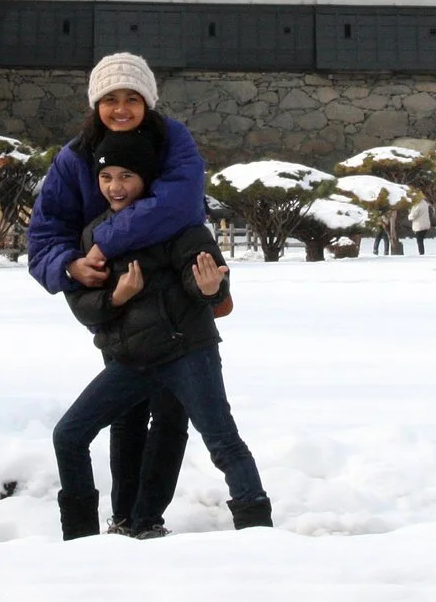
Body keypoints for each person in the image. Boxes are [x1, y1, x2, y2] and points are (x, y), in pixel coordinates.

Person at [50, 122, 272, 538]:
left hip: (187, 352)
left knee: (222, 442)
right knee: (69, 434)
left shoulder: (177, 222)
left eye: (126, 176)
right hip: (133, 360)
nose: (115, 186)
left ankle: (257, 527)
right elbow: (84, 306)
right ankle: (79, 539)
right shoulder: (94, 235)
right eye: (106, 177)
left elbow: (202, 271)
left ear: (146, 178)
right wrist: (117, 296)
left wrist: (210, 287)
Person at [25, 52, 209, 536]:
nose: (121, 109)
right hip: (121, 306)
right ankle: (119, 519)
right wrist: (70, 264)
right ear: (95, 104)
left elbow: (180, 205)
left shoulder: (174, 143)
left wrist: (103, 239)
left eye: (132, 98)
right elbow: (45, 233)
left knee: (171, 416)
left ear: (148, 102)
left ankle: (148, 519)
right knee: (126, 414)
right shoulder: (74, 158)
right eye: (110, 99)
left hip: (177, 303)